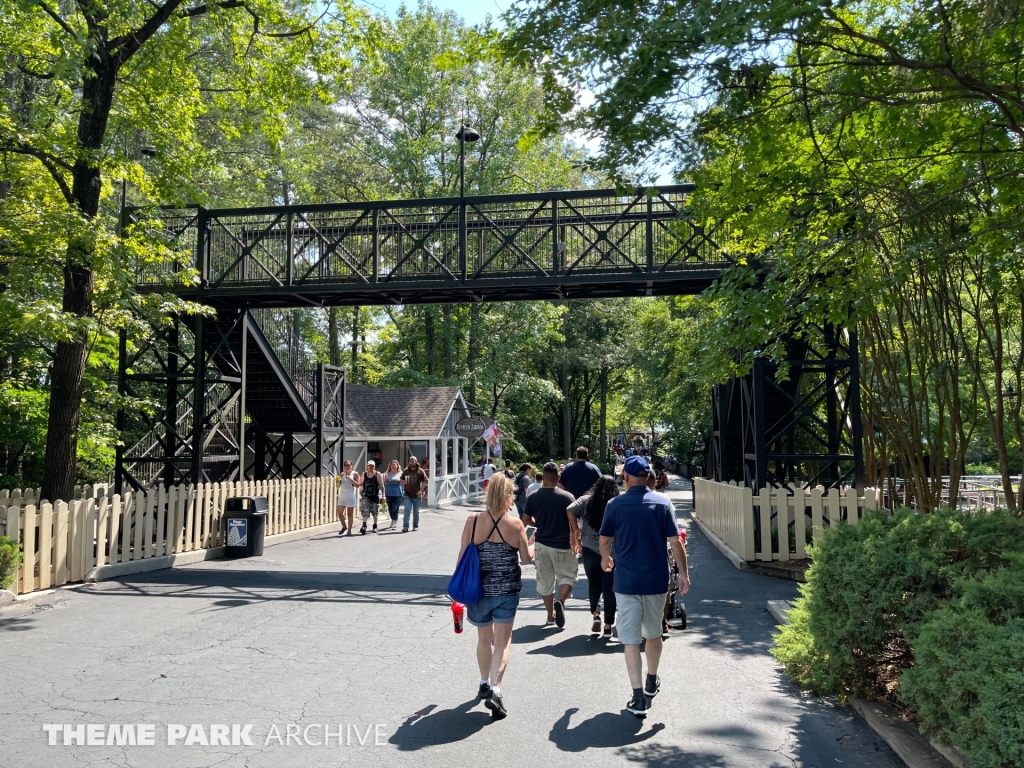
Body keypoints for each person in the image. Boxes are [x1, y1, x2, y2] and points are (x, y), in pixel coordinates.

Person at [600, 456, 689, 718]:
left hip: (626, 582)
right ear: (649, 477)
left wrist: (606, 558)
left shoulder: (615, 504)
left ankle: (638, 696)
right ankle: (652, 678)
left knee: (629, 641)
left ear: (625, 477)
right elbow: (675, 542)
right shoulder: (662, 503)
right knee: (654, 634)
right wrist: (683, 574)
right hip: (656, 580)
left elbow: (605, 539)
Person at [457, 473, 535, 720]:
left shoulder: (473, 520)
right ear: (508, 496)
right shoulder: (515, 525)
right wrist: (532, 542)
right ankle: (495, 688)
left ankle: (482, 682)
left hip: (478, 591)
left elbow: (461, 557)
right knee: (502, 641)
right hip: (507, 591)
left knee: (483, 639)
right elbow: (526, 559)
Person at [522, 462, 578, 628]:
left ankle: (550, 616)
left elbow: (525, 520)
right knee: (568, 576)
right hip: (561, 544)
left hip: (542, 545)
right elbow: (573, 524)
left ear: (543, 477)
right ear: (558, 477)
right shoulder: (567, 497)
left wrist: (537, 523)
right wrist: (577, 540)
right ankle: (560, 601)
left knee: (545, 582)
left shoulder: (533, 497)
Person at [568, 476, 620, 637]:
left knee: (594, 584)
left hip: (590, 547)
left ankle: (596, 614)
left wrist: (576, 529)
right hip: (611, 550)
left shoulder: (586, 500)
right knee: (610, 588)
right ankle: (608, 626)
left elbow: (569, 509)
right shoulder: (617, 502)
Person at [400, 456, 428, 532]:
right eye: (410, 461)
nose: (411, 462)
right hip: (407, 494)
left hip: (417, 495)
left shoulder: (420, 471)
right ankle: (405, 526)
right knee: (407, 510)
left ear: (416, 462)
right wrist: (404, 482)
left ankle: (415, 525)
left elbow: (424, 482)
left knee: (416, 511)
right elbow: (401, 480)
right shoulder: (406, 471)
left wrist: (421, 491)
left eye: (413, 461)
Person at [336, 460, 359, 536]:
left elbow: (358, 485)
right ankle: (344, 526)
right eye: (345, 465)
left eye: (348, 465)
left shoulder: (355, 474)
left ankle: (349, 530)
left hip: (350, 496)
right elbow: (338, 486)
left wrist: (351, 479)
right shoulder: (342, 474)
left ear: (352, 465)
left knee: (349, 514)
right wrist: (338, 481)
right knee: (339, 513)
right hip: (342, 496)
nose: (347, 466)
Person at [359, 460, 382, 534]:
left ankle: (375, 525)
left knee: (375, 512)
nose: (371, 467)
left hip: (375, 496)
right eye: (369, 466)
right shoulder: (364, 474)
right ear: (367, 466)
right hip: (366, 496)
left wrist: (383, 495)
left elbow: (382, 486)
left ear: (374, 466)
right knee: (365, 510)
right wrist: (360, 487)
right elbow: (359, 483)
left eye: (372, 466)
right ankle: (364, 526)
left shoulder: (378, 474)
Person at [383, 460, 404, 531]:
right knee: (390, 509)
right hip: (389, 493)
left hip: (398, 494)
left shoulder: (401, 474)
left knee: (395, 508)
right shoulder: (387, 473)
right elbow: (383, 482)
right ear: (390, 466)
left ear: (397, 466)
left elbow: (404, 482)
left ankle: (394, 523)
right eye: (392, 465)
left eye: (395, 465)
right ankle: (393, 520)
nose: (393, 466)